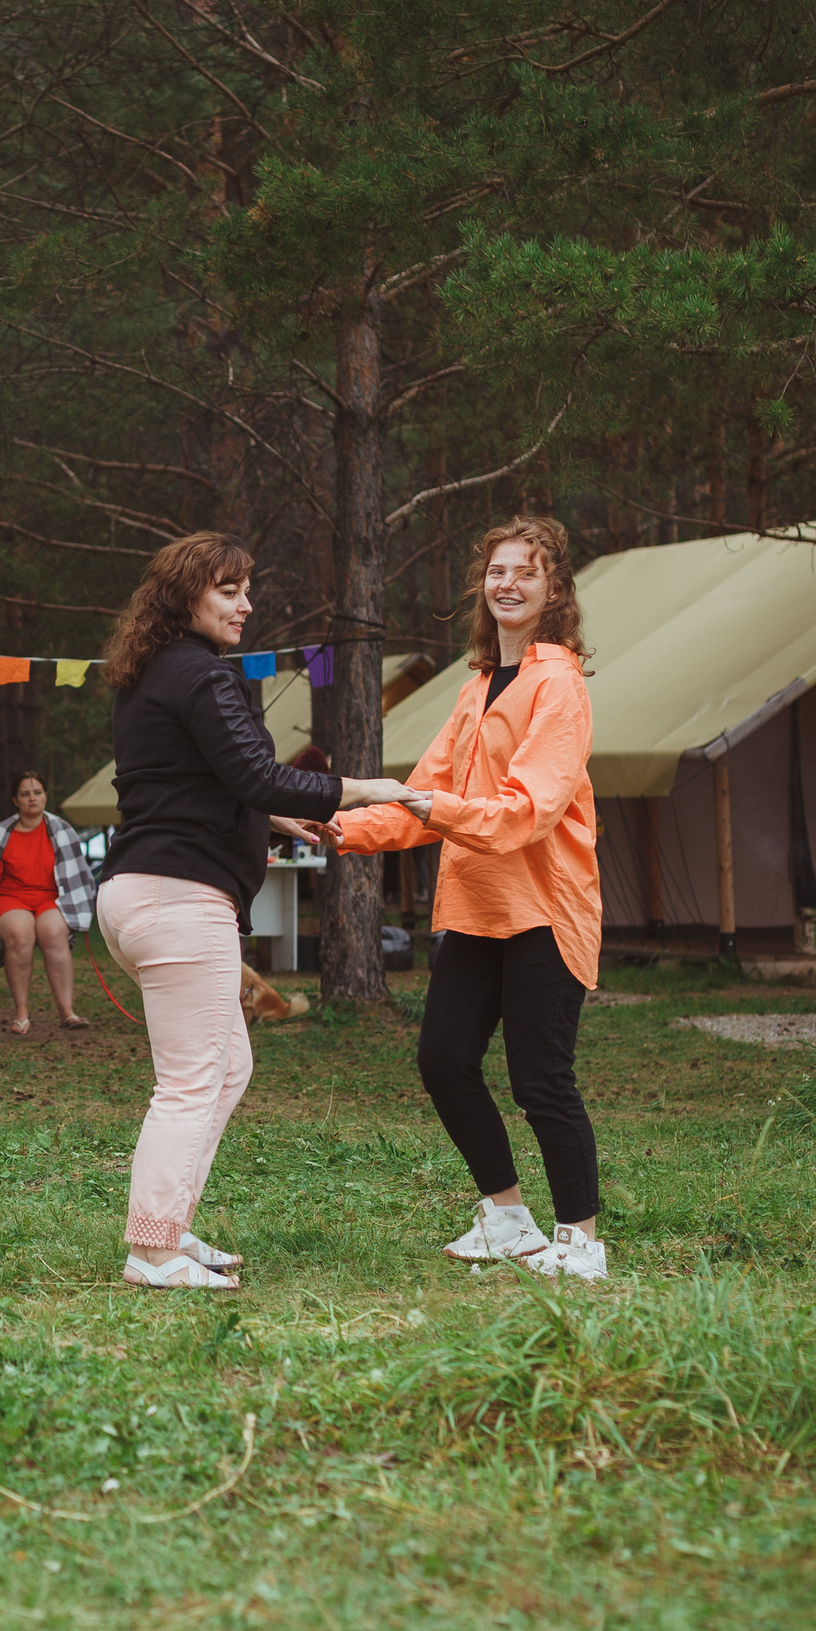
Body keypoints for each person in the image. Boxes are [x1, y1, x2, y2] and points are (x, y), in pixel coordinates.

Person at [98, 532, 423, 1291]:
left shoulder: (148, 674)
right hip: (178, 898)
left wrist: (274, 822)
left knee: (227, 1065)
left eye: (248, 589)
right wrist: (365, 788)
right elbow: (255, 772)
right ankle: (151, 1251)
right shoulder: (203, 677)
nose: (246, 605)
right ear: (186, 596)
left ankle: (168, 1222)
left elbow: (188, 782)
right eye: (229, 590)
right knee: (189, 1078)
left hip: (139, 895)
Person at [328, 515, 611, 1281]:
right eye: (496, 571)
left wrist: (432, 808)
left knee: (540, 1077)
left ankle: (581, 1242)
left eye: (526, 571)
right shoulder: (477, 685)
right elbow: (422, 794)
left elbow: (526, 810)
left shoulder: (560, 685)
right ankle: (508, 1217)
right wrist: (335, 829)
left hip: (546, 904)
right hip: (478, 905)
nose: (508, 583)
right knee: (445, 1058)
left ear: (554, 590)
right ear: (481, 588)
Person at [0, 771, 95, 1034]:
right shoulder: (0, 834)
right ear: (15, 801)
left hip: (50, 898)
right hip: (11, 898)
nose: (32, 799)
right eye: (25, 794)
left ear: (45, 796)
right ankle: (22, 1013)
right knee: (19, 934)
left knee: (53, 933)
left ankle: (67, 1012)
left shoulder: (61, 830)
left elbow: (76, 874)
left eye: (37, 793)